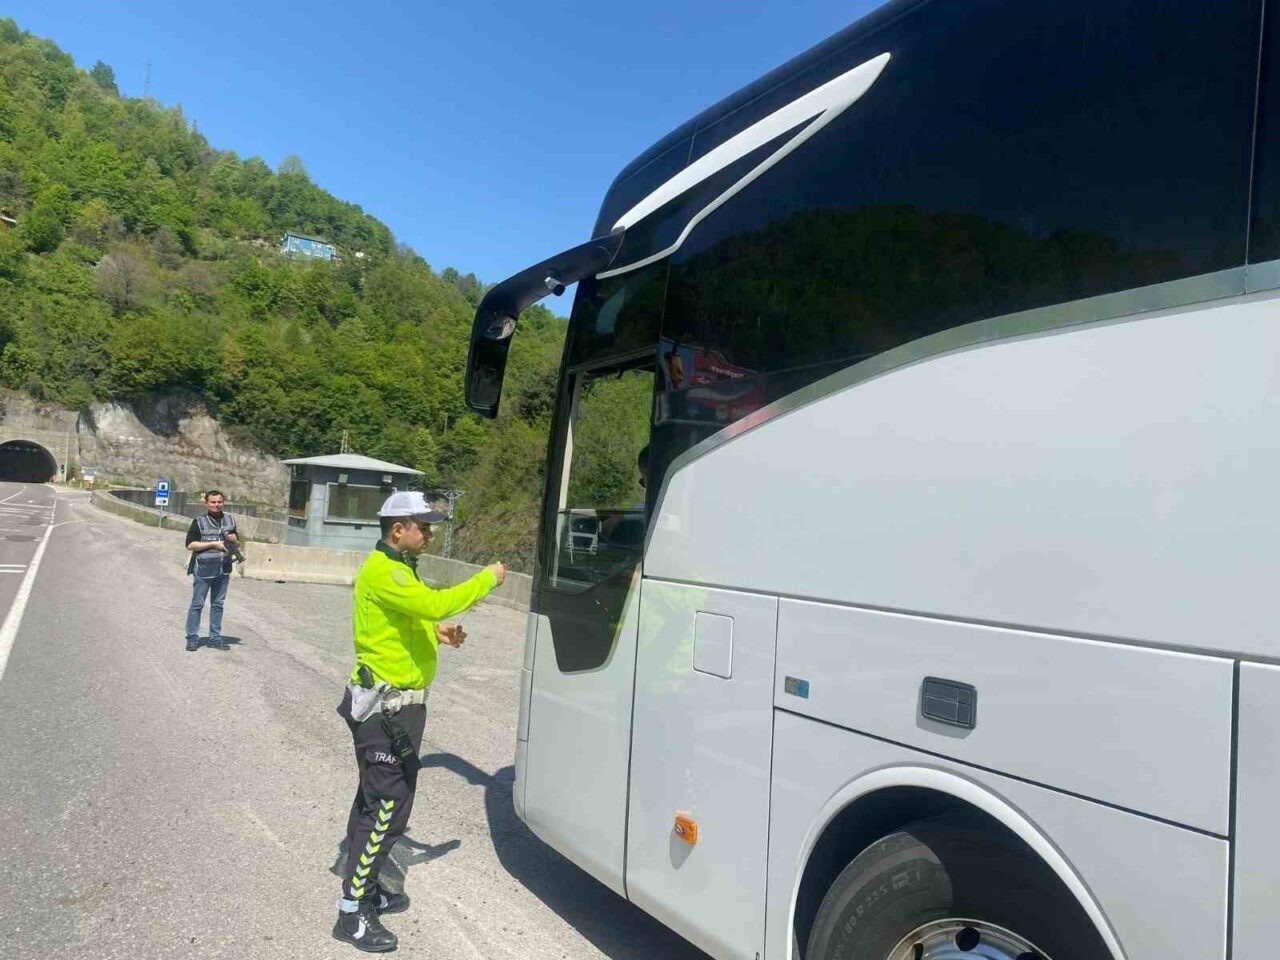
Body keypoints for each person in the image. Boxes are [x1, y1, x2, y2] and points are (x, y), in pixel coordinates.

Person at [333, 490, 506, 953]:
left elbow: (406, 620)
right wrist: (487, 578)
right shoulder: (386, 570)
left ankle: (365, 889)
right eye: (423, 527)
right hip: (386, 711)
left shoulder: (399, 569)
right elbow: (437, 602)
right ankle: (352, 913)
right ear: (398, 530)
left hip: (399, 708)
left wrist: (435, 633)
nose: (429, 534)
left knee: (376, 801)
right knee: (387, 807)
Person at [184, 489, 238, 651]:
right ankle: (192, 637)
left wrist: (234, 539)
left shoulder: (230, 520)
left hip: (223, 569)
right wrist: (213, 544)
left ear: (223, 502)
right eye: (213, 502)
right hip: (203, 570)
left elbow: (235, 542)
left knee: (218, 605)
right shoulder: (199, 522)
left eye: (219, 502)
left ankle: (215, 637)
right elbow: (190, 545)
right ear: (207, 503)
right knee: (197, 605)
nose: (216, 505)